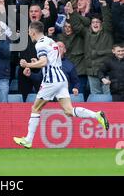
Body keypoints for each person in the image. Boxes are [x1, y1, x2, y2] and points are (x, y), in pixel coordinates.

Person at [13, 21, 109, 149]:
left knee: (35, 108)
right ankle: (96, 115)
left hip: (51, 81)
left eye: (29, 31)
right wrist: (38, 62)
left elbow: (44, 61)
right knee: (69, 111)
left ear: (33, 31)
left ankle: (28, 140)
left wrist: (28, 65)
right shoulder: (50, 41)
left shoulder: (40, 44)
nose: (29, 33)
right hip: (61, 79)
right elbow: (49, 61)